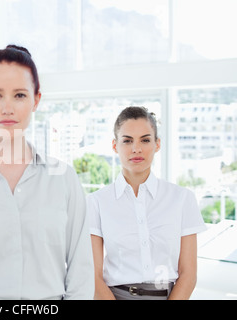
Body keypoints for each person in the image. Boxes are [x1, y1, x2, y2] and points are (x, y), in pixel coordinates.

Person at [0, 45, 94, 300]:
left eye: (19, 95)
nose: (7, 108)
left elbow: (82, 270)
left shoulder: (64, 179)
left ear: (36, 100)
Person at [87, 106, 207, 300]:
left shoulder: (182, 198)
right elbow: (92, 277)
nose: (136, 149)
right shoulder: (96, 202)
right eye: (127, 141)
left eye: (145, 140)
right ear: (115, 145)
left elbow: (189, 274)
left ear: (157, 144)